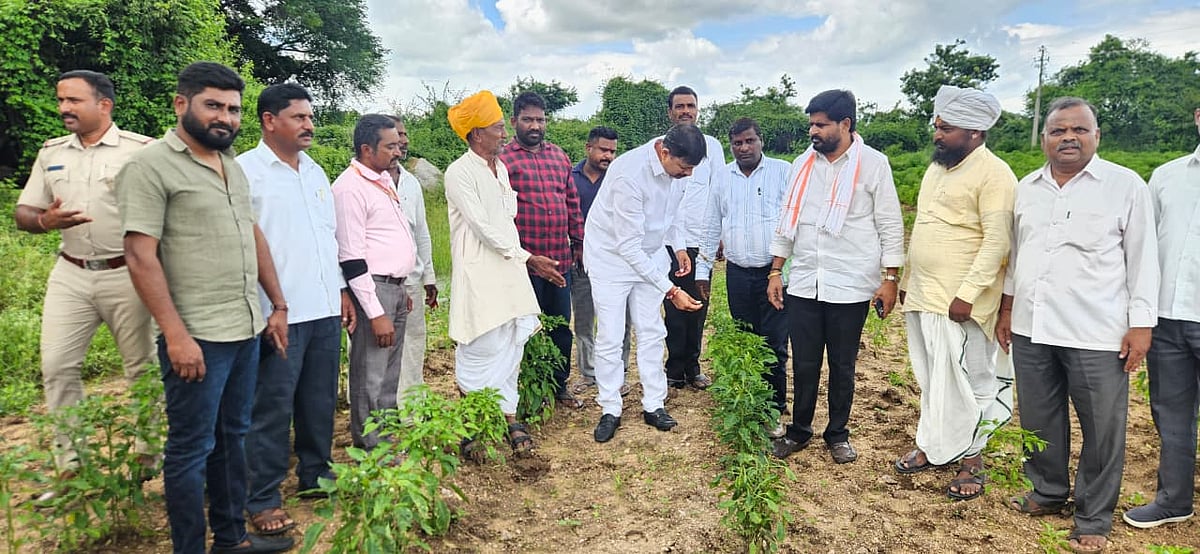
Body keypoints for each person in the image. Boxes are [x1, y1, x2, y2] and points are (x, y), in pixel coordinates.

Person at [118, 61, 293, 554]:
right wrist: (175, 335)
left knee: (233, 438)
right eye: (213, 105)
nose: (226, 117)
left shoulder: (230, 166)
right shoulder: (151, 167)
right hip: (197, 337)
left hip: (243, 327)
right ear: (182, 104)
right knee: (191, 449)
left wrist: (277, 303)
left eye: (234, 109)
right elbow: (139, 253)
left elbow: (251, 233)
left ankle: (232, 540)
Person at [997, 97, 1158, 554]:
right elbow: (1017, 257)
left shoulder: (1125, 186)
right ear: (1044, 139)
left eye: (1079, 130)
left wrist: (1142, 324)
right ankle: (1047, 491)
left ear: (1096, 136)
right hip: (1033, 325)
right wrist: (1008, 310)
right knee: (1040, 417)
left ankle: (1093, 515)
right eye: (1058, 131)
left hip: (1098, 331)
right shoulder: (1027, 188)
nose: (1068, 137)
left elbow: (1144, 260)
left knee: (1102, 427)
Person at [13, 70, 158, 487]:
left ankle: (151, 455)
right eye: (61, 101)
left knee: (141, 368)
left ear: (104, 105)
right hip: (71, 271)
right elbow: (24, 212)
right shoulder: (52, 152)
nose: (63, 109)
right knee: (57, 366)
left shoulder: (140, 152)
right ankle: (71, 465)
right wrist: (45, 219)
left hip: (126, 272)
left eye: (73, 101)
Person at [767, 89, 905, 465]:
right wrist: (777, 270)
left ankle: (838, 434)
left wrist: (890, 278)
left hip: (850, 283)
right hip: (806, 281)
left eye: (821, 124)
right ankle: (799, 431)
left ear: (845, 124)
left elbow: (890, 222)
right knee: (805, 362)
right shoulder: (802, 165)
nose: (813, 130)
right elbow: (787, 221)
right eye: (811, 123)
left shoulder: (874, 164)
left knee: (842, 365)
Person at [239, 83, 353, 535]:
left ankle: (315, 476)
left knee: (319, 401)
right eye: (299, 117)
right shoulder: (245, 172)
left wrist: (342, 291)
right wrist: (272, 306)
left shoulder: (315, 172)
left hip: (323, 307)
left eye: (310, 116)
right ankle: (263, 496)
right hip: (278, 312)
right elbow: (246, 242)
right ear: (270, 121)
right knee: (270, 405)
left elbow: (329, 238)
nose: (309, 124)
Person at [893, 85, 1016, 502]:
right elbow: (924, 228)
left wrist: (966, 294)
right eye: (937, 125)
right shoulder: (936, 169)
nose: (937, 134)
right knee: (932, 379)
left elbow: (997, 242)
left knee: (973, 383)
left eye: (946, 128)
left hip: (963, 304)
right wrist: (909, 280)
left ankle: (972, 460)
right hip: (926, 296)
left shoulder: (995, 174)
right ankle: (932, 446)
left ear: (976, 132)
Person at [445, 90, 554, 456]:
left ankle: (509, 417)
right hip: (481, 270)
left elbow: (506, 220)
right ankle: (469, 426)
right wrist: (529, 258)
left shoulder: (501, 168)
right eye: (497, 128)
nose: (504, 134)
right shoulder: (458, 173)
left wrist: (521, 258)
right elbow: (482, 227)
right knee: (479, 343)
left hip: (510, 266)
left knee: (511, 342)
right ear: (477, 134)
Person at [586, 123, 707, 443]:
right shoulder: (629, 174)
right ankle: (610, 407)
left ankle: (654, 404)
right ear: (664, 153)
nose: (688, 175)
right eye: (684, 168)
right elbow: (627, 247)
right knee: (611, 335)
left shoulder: (678, 169)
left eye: (692, 169)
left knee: (652, 330)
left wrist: (678, 246)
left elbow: (672, 214)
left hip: (650, 254)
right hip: (611, 258)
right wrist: (671, 289)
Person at [1121, 106, 1200, 530]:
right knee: (1171, 416)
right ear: (1197, 116)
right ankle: (1173, 500)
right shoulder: (1167, 176)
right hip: (1168, 318)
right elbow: (1144, 249)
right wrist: (1141, 314)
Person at [695, 117, 791, 437]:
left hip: (773, 274)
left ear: (761, 140)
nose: (744, 148)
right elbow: (710, 224)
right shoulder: (722, 177)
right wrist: (703, 270)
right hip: (737, 273)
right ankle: (751, 399)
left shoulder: (782, 171)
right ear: (731, 145)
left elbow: (793, 223)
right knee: (745, 338)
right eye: (737, 143)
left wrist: (781, 270)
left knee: (774, 341)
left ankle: (774, 407)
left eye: (750, 141)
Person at [333, 114, 417, 451]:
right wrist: (375, 312)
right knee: (370, 374)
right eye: (391, 146)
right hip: (373, 290)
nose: (398, 151)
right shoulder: (349, 188)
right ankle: (370, 449)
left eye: (399, 144)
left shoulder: (380, 182)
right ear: (367, 149)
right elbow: (351, 257)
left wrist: (403, 285)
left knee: (389, 374)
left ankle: (385, 439)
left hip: (394, 288)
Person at [498, 91, 583, 408]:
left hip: (559, 261)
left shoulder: (559, 156)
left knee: (561, 328)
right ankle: (523, 390)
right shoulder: (504, 160)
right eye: (528, 119)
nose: (535, 125)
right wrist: (524, 259)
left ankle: (559, 387)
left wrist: (579, 244)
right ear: (514, 121)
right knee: (523, 331)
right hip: (524, 265)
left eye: (540, 119)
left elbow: (572, 203)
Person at [662, 86, 725, 391]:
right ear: (670, 112)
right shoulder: (662, 148)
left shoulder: (712, 147)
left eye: (691, 106)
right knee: (673, 306)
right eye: (680, 106)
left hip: (703, 240)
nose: (686, 111)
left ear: (698, 109)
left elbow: (719, 191)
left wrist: (721, 234)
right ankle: (673, 369)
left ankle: (693, 367)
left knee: (700, 304)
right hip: (671, 242)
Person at [569, 126, 633, 396]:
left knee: (621, 319)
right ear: (589, 148)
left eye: (613, 151)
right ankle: (589, 372)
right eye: (603, 149)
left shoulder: (620, 177)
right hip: (582, 259)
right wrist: (577, 245)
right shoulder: (570, 178)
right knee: (584, 319)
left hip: (616, 260)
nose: (608, 155)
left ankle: (620, 373)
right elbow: (568, 216)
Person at [382, 114, 438, 403]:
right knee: (375, 348)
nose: (403, 141)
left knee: (413, 343)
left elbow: (422, 233)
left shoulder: (411, 183)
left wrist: (429, 277)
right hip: (376, 283)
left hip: (411, 281)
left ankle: (411, 406)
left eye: (404, 135)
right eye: (396, 136)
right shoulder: (363, 181)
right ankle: (375, 413)